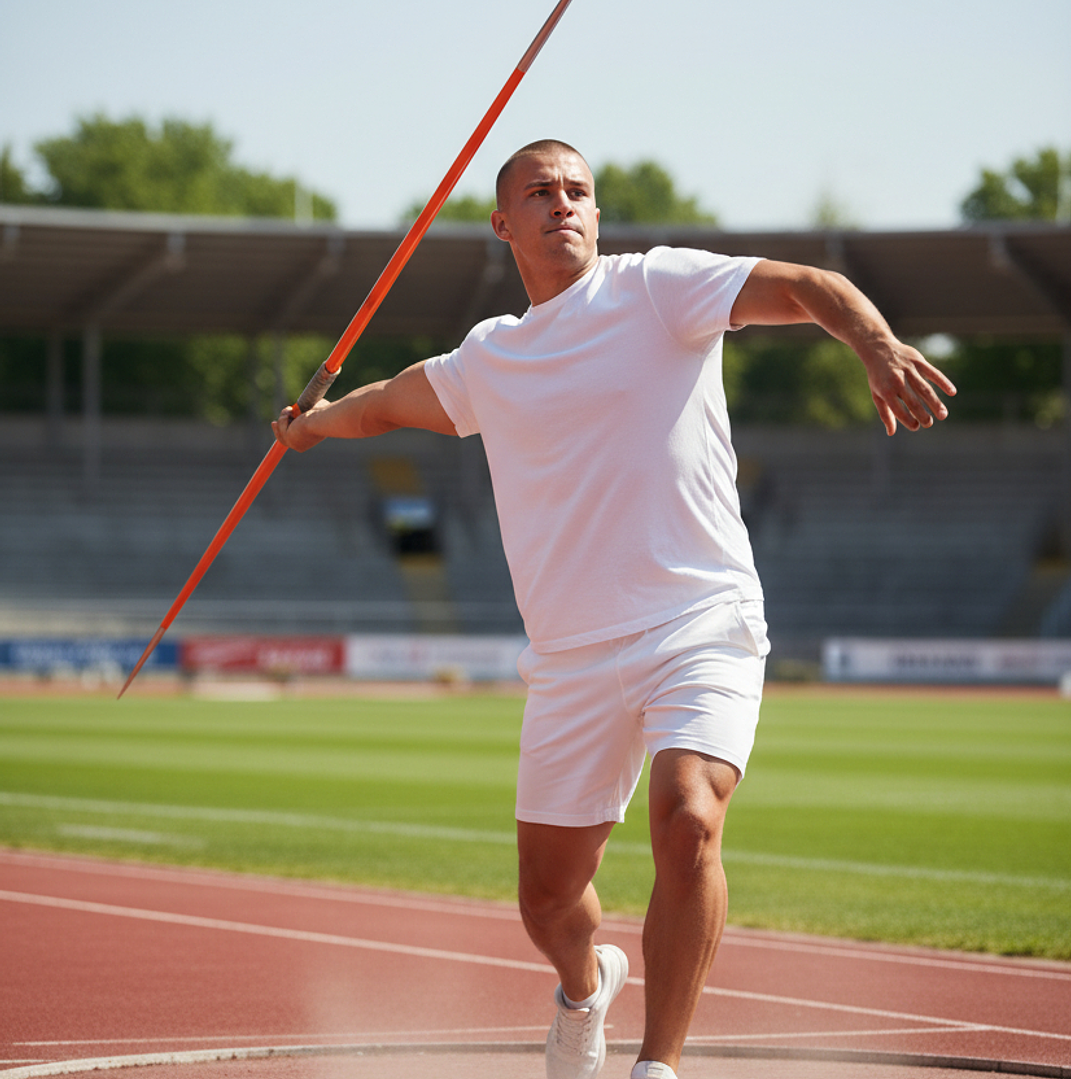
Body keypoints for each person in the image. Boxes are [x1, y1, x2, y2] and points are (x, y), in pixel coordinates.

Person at [273, 139, 955, 1079]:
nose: (564, 204)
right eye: (540, 192)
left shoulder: (657, 288)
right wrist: (309, 425)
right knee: (548, 900)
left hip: (699, 618)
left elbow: (807, 282)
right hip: (571, 657)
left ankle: (656, 1066)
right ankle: (586, 982)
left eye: (579, 191)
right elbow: (385, 404)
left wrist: (874, 344)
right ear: (502, 223)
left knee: (688, 819)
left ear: (598, 212)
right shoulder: (491, 356)